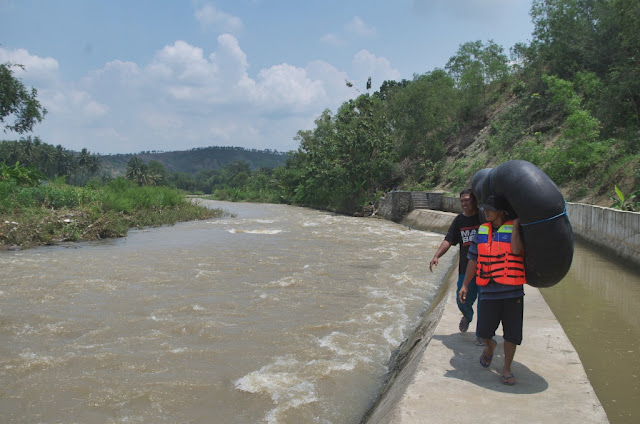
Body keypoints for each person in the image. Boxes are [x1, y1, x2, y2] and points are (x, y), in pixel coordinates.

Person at [459, 195, 525, 386]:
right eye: (484, 209)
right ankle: (490, 347)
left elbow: (516, 250)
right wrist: (465, 285)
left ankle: (506, 368)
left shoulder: (515, 228)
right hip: (488, 291)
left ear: (501, 212)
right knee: (484, 332)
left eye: (489, 209)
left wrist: (516, 227)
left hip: (512, 292)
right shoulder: (482, 231)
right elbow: (473, 259)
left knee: (512, 334)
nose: (485, 211)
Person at [429, 189, 482, 344]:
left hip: (485, 268)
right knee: (462, 300)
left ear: (475, 201)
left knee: (485, 304)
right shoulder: (459, 221)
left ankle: (482, 334)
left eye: (467, 200)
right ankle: (467, 316)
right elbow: (449, 240)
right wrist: (436, 255)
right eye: (462, 201)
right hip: (466, 269)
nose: (464, 204)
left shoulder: (483, 217)